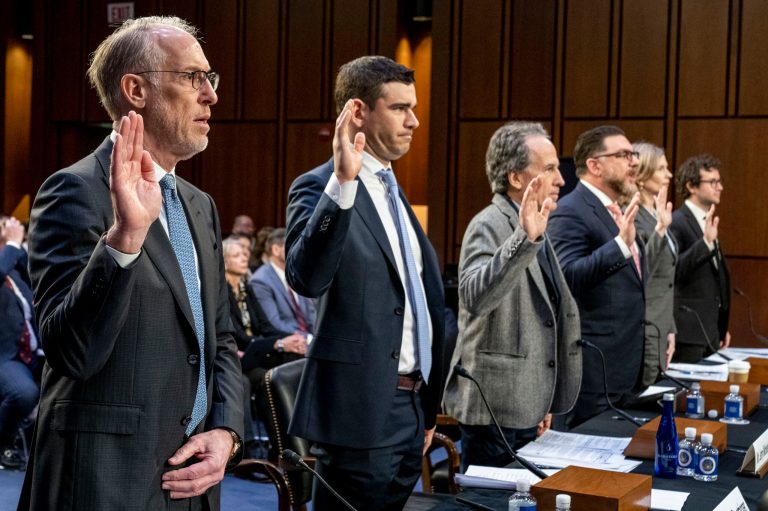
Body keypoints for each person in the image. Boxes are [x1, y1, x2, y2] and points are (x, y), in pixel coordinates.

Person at [20, 17, 244, 510]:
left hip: (194, 478)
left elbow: (221, 338)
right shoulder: (74, 190)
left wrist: (226, 431)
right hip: (105, 481)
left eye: (210, 78)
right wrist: (124, 240)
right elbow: (71, 352)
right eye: (192, 77)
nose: (210, 95)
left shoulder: (199, 204)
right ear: (136, 90)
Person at [284, 55, 446, 510]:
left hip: (412, 409)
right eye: (400, 108)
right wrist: (342, 183)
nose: (414, 121)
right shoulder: (319, 186)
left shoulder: (395, 191)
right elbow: (305, 277)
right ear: (358, 111)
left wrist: (426, 408)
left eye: (414, 109)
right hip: (360, 412)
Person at [443, 122, 582, 471]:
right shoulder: (489, 223)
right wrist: (524, 239)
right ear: (516, 178)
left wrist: (543, 399)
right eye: (549, 169)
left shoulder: (537, 223)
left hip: (525, 402)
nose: (560, 180)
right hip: (495, 409)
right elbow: (475, 298)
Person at [548, 125, 645, 428]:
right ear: (594, 165)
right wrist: (620, 246)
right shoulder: (570, 210)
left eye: (633, 154)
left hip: (624, 367)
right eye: (623, 155)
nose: (634, 162)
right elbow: (566, 277)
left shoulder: (617, 211)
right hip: (592, 373)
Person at [670, 154, 731, 362]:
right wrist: (704, 243)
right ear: (691, 186)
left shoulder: (708, 221)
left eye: (719, 181)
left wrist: (721, 327)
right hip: (687, 334)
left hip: (710, 332)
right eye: (712, 182)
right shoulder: (677, 221)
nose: (720, 187)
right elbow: (672, 271)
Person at [630, 143, 677, 385]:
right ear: (641, 175)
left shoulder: (658, 212)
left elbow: (666, 281)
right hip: (644, 326)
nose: (669, 175)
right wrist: (660, 230)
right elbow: (640, 270)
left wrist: (670, 327)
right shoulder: (632, 215)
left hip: (661, 324)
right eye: (661, 168)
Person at [0, 217, 41, 470]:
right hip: (6, 356)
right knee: (23, 393)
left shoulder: (14, 271)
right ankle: (3, 443)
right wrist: (13, 243)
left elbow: (36, 277)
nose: (9, 227)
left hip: (36, 353)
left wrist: (18, 248)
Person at [250, 228, 316, 335]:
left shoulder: (297, 274)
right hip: (287, 340)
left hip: (310, 338)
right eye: (293, 246)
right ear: (276, 250)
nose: (299, 251)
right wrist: (307, 338)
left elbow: (311, 315)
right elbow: (274, 323)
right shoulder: (260, 280)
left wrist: (319, 337)